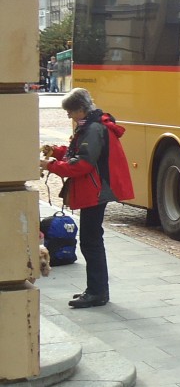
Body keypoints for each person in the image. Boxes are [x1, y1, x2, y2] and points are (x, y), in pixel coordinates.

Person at [40, 88, 134, 308]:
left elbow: (82, 164)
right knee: (91, 240)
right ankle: (96, 289)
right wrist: (56, 151)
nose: (69, 116)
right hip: (96, 189)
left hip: (96, 190)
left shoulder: (92, 128)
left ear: (81, 109)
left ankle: (97, 292)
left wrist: (51, 165)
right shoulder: (90, 125)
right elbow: (78, 152)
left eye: (70, 111)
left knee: (91, 242)